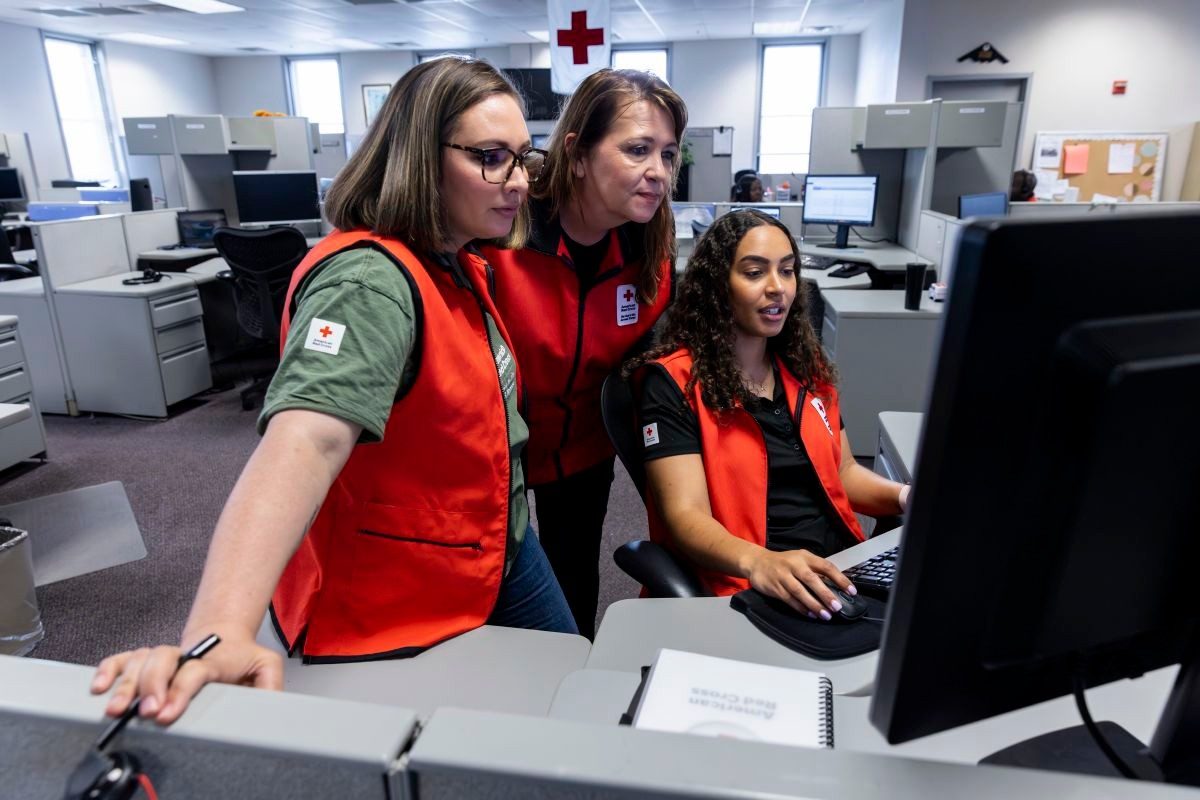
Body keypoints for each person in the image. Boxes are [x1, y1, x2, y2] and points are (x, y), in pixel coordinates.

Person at [91, 57, 575, 726]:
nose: (518, 181)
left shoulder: (455, 259)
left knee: (568, 689)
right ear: (417, 158)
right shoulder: (369, 287)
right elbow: (306, 443)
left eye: (524, 158)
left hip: (497, 543)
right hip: (407, 573)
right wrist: (220, 628)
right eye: (491, 157)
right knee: (528, 729)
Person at [481, 69, 686, 638]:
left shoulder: (650, 253)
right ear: (576, 154)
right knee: (494, 590)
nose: (658, 172)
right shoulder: (501, 237)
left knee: (574, 585)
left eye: (668, 154)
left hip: (584, 452)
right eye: (638, 149)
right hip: (501, 450)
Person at [629, 210, 909, 618]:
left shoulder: (804, 367)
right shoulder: (675, 383)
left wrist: (904, 496)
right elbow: (685, 517)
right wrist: (760, 562)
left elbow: (844, 472)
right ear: (718, 285)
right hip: (754, 580)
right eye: (755, 272)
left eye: (788, 271)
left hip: (837, 569)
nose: (778, 288)